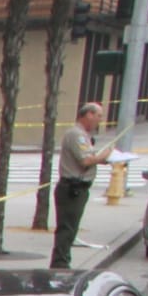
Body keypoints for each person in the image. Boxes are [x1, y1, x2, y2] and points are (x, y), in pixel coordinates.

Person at [53, 101, 117, 270]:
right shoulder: (77, 135)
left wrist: (103, 160)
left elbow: (87, 159)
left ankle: (62, 261)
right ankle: (60, 265)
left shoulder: (83, 135)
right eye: (98, 116)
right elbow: (86, 160)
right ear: (88, 115)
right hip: (71, 189)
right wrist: (103, 155)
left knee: (71, 228)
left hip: (78, 188)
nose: (100, 120)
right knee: (67, 229)